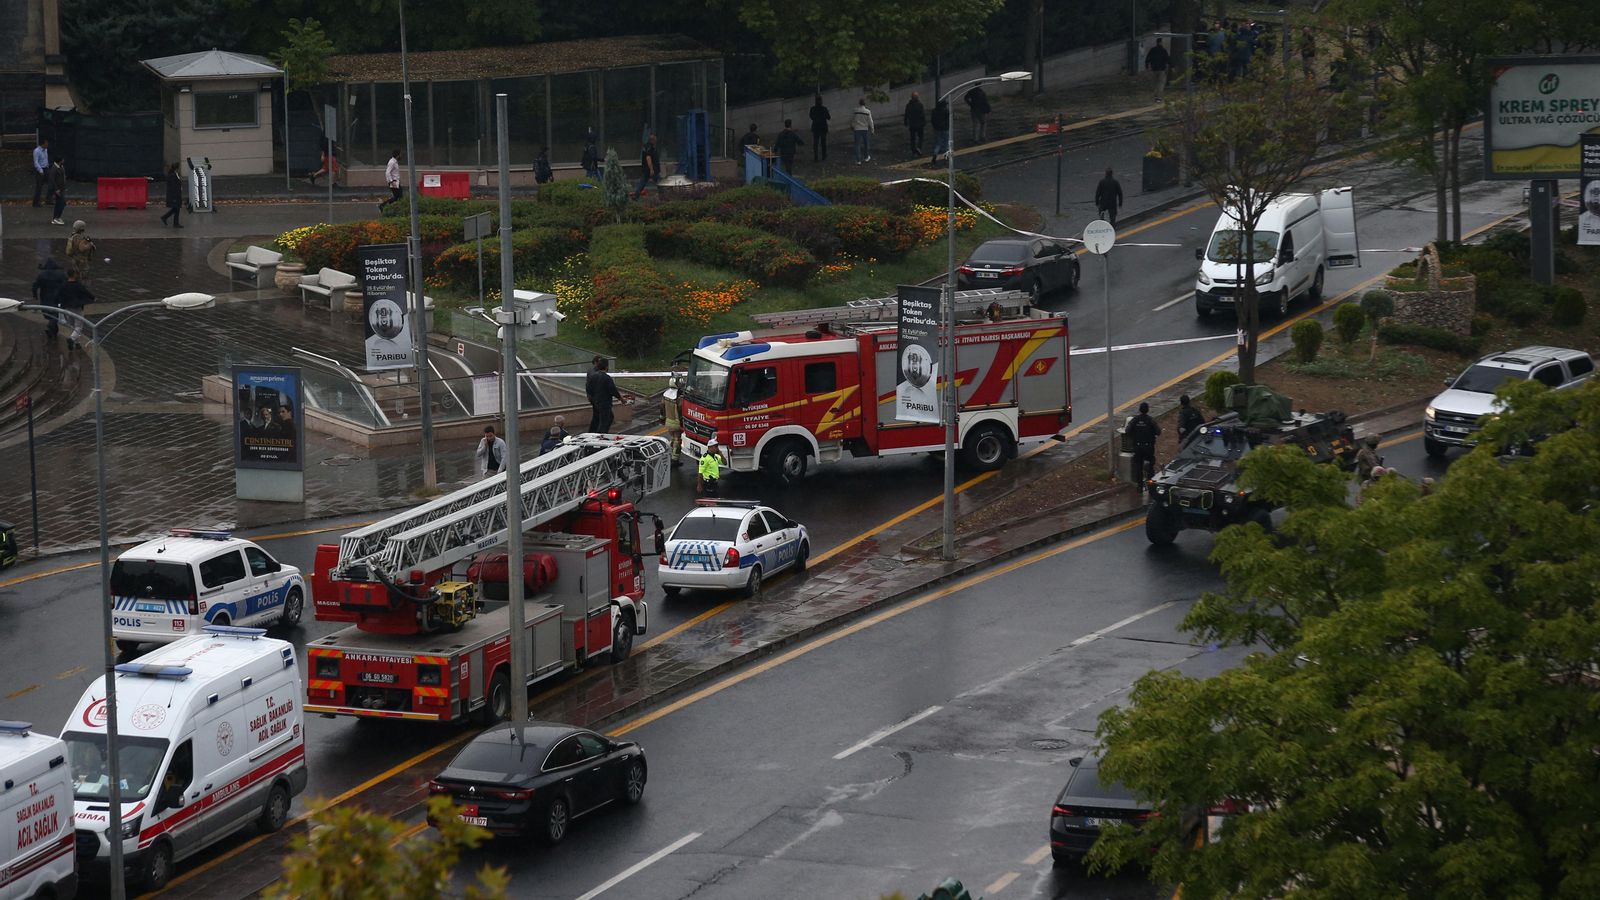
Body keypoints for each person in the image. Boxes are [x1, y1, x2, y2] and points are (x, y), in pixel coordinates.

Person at [586, 355, 627, 433]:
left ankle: (593, 433)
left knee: (600, 418)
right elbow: (613, 390)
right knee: (605, 421)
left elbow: (588, 388)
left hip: (596, 401)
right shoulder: (607, 378)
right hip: (604, 403)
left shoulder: (593, 376)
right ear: (606, 367)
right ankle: (601, 435)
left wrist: (592, 398)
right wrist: (621, 399)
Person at [1127, 401, 1161, 493]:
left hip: (1137, 447)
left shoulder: (1135, 420)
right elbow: (1158, 432)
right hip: (1148, 447)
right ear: (1148, 410)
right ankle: (1151, 486)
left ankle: (1139, 486)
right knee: (1150, 466)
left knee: (1138, 466)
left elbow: (1127, 430)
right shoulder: (1150, 420)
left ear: (1139, 410)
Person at [57, 268, 94, 350]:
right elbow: (86, 292)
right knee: (78, 326)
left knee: (71, 325)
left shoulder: (64, 285)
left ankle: (76, 343)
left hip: (67, 307)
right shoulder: (78, 285)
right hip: (77, 307)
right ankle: (72, 339)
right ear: (74, 275)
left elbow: (59, 295)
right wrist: (93, 298)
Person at [31, 258, 67, 341]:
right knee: (55, 313)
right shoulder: (61, 274)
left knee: (48, 313)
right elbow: (66, 285)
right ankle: (51, 328)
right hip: (57, 298)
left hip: (45, 297)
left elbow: (35, 286)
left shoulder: (41, 275)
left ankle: (52, 329)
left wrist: (35, 295)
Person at [663, 362, 686, 466]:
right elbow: (681, 411)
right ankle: (674, 460)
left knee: (672, 439)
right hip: (676, 423)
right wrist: (682, 423)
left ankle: (668, 456)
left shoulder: (665, 394)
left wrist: (662, 418)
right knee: (677, 441)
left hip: (668, 421)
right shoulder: (678, 398)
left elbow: (662, 408)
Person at [1145, 37, 1170, 103]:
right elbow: (1167, 59)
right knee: (1161, 83)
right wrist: (1171, 66)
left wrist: (1147, 67)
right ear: (1160, 42)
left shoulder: (1152, 50)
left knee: (1154, 82)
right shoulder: (1163, 50)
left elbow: (1147, 59)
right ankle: (1159, 97)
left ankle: (1156, 95)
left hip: (1154, 69)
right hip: (1161, 69)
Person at [634, 133, 659, 200]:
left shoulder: (646, 146)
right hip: (651, 169)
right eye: (655, 139)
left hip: (646, 169)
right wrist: (651, 169)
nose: (656, 141)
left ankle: (636, 195)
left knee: (642, 182)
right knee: (659, 182)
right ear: (653, 140)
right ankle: (663, 194)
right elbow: (648, 158)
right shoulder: (650, 148)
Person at [851, 98, 874, 164]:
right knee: (866, 144)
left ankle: (858, 160)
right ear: (865, 104)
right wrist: (872, 129)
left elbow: (852, 119)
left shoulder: (855, 110)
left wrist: (852, 126)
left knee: (857, 144)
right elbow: (870, 121)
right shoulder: (868, 111)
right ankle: (866, 157)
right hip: (865, 129)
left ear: (859, 103)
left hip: (857, 129)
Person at [159, 162, 184, 228]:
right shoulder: (173, 175)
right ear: (176, 168)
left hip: (176, 195)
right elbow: (173, 187)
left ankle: (168, 219)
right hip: (174, 195)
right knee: (176, 208)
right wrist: (175, 196)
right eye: (179, 168)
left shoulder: (175, 174)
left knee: (176, 209)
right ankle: (172, 221)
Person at [379, 149, 403, 214]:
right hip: (393, 182)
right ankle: (383, 206)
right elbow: (387, 172)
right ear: (397, 155)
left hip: (396, 182)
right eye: (400, 154)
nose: (401, 156)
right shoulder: (392, 162)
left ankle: (384, 206)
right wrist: (391, 181)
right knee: (399, 197)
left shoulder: (395, 162)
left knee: (397, 197)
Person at [809, 95, 831, 162]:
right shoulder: (824, 109)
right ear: (821, 101)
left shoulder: (812, 109)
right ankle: (824, 156)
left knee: (815, 143)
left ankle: (816, 157)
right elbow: (829, 117)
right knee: (823, 142)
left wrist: (816, 119)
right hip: (823, 127)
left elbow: (811, 116)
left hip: (816, 127)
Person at [903, 92, 926, 156]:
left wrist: (905, 122)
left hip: (912, 124)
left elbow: (906, 114)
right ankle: (919, 147)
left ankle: (913, 150)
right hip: (919, 124)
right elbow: (922, 114)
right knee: (920, 137)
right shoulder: (920, 105)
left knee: (912, 138)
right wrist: (924, 122)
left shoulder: (908, 105)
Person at [930, 99, 951, 164]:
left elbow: (932, 120)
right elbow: (949, 119)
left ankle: (935, 154)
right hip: (945, 129)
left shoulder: (934, 111)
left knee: (938, 143)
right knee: (946, 143)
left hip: (937, 129)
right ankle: (946, 157)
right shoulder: (946, 111)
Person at [47, 158, 66, 225]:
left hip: (61, 188)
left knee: (59, 203)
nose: (63, 160)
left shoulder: (61, 167)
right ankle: (56, 217)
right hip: (57, 189)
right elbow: (52, 180)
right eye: (62, 159)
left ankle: (56, 217)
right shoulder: (54, 168)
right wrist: (56, 189)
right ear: (60, 160)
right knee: (62, 203)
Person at [31, 137, 48, 208]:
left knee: (52, 183)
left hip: (46, 168)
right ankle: (35, 202)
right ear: (43, 144)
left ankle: (49, 199)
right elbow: (36, 162)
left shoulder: (45, 150)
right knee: (39, 187)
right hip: (40, 170)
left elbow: (45, 159)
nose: (47, 144)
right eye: (46, 143)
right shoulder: (36, 151)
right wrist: (40, 170)